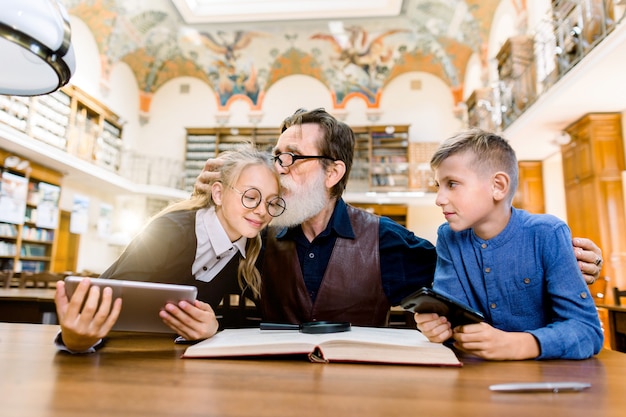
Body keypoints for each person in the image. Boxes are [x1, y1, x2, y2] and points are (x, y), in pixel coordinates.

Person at [194, 108, 604, 327]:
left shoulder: (387, 240)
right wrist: (205, 210)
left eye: (293, 157)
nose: (278, 167)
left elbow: (476, 281)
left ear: (333, 173)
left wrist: (559, 265)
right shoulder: (255, 235)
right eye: (277, 156)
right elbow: (195, 285)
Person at [54, 145, 286, 352]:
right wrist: (78, 341)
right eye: (251, 196)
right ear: (218, 193)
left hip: (172, 362)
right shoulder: (168, 231)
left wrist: (213, 327)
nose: (262, 211)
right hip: (117, 351)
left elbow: (276, 318)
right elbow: (109, 304)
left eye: (272, 202)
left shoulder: (255, 248)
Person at [414, 129, 603, 360]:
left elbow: (588, 331)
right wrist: (438, 327)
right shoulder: (448, 237)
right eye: (438, 186)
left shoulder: (547, 233)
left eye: (452, 184)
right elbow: (454, 321)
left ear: (498, 186)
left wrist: (520, 344)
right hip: (474, 377)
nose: (439, 199)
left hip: (548, 379)